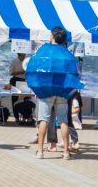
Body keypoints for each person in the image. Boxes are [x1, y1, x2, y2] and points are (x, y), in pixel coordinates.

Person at [27, 28, 81, 160]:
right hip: (62, 92)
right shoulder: (67, 53)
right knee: (63, 121)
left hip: (46, 91)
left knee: (43, 120)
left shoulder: (44, 50)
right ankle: (66, 152)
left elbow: (33, 68)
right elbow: (75, 73)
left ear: (52, 36)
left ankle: (40, 151)